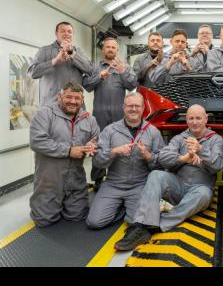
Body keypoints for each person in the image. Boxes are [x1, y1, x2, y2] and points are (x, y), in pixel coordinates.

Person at [113, 105, 223, 251]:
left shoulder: (216, 140)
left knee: (203, 195)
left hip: (199, 189)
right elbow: (163, 157)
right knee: (156, 175)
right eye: (191, 118)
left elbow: (217, 165)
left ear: (206, 119)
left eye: (198, 118)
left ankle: (152, 225)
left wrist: (200, 150)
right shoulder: (180, 138)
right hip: (177, 186)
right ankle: (143, 223)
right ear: (187, 120)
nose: (195, 122)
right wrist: (183, 158)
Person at [86, 92, 165, 230]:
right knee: (94, 222)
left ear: (143, 108)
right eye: (130, 106)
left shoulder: (153, 132)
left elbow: (161, 166)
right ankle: (120, 208)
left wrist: (148, 156)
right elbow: (98, 162)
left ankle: (127, 209)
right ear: (123, 107)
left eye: (137, 106)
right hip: (113, 184)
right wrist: (114, 152)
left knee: (137, 223)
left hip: (140, 185)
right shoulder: (110, 130)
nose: (133, 109)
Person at [29, 82, 99, 227]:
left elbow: (97, 138)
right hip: (49, 181)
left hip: (76, 180)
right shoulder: (45, 114)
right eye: (68, 97)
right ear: (59, 96)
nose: (73, 101)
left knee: (78, 217)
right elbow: (37, 141)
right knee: (44, 221)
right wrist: (68, 151)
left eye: (77, 98)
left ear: (82, 100)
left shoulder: (89, 119)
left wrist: (93, 145)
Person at [82, 37, 138, 191]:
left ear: (117, 50)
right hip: (99, 114)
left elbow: (133, 84)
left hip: (119, 115)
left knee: (119, 145)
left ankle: (118, 176)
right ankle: (98, 179)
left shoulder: (124, 67)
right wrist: (99, 76)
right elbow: (86, 85)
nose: (111, 49)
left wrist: (123, 71)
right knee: (99, 146)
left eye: (113, 47)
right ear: (103, 50)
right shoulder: (95, 67)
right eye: (108, 47)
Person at [28, 21, 93, 107]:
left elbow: (90, 70)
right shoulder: (45, 50)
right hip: (52, 106)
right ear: (56, 33)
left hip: (75, 106)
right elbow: (32, 73)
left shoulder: (78, 51)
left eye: (69, 31)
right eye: (63, 31)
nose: (66, 33)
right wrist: (55, 61)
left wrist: (72, 54)